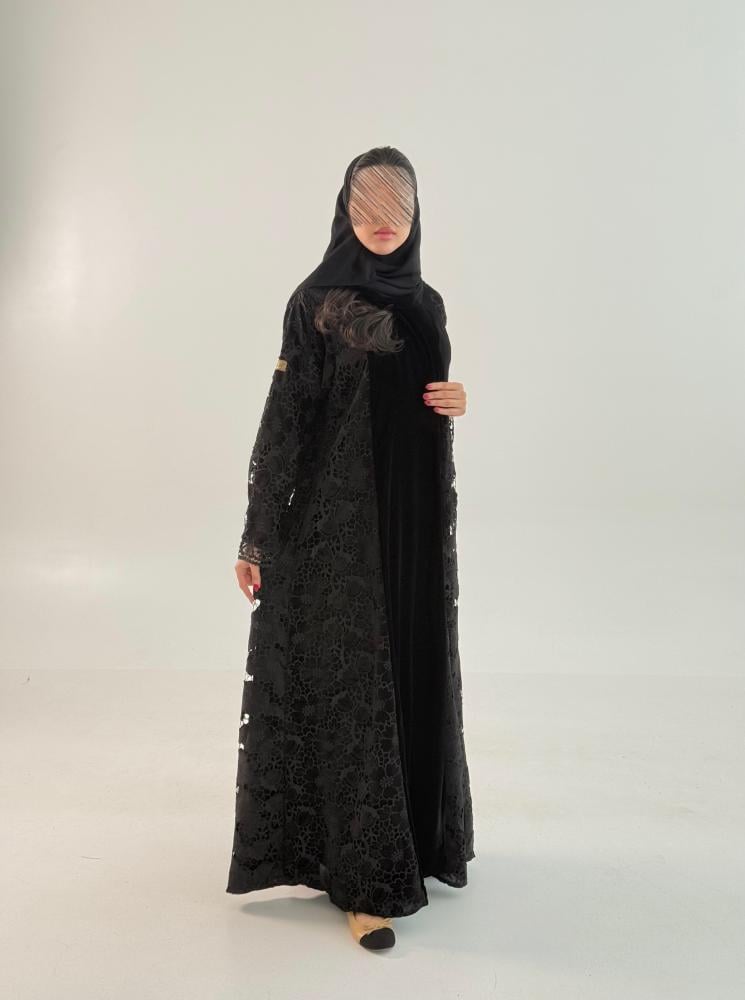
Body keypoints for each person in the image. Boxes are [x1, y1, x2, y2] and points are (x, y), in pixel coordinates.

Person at [226, 146, 474, 951]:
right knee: (355, 687)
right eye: (367, 202)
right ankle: (363, 884)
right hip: (339, 532)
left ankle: (415, 847)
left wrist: (455, 397)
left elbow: (422, 400)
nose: (382, 219)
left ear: (416, 213)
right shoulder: (316, 303)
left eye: (398, 203)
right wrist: (259, 533)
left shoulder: (427, 304)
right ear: (344, 209)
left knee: (411, 671)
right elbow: (288, 417)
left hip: (414, 532)